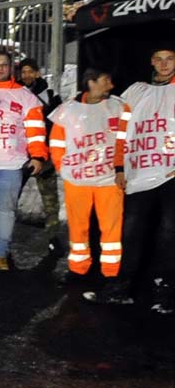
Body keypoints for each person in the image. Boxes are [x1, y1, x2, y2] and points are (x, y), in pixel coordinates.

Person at [48, 68, 128, 290]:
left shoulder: (119, 107)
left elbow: (126, 140)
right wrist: (62, 166)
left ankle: (110, 275)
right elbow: (56, 142)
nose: (110, 85)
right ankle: (78, 271)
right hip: (77, 181)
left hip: (109, 180)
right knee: (78, 228)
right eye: (106, 80)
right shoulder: (68, 110)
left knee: (112, 229)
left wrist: (121, 169)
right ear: (91, 82)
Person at [108, 47, 175, 313]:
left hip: (171, 172)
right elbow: (121, 132)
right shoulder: (136, 91)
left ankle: (164, 291)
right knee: (132, 230)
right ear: (151, 62)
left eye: (169, 59)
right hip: (139, 171)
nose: (164, 64)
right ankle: (121, 288)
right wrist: (119, 167)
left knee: (169, 232)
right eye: (159, 59)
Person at [0, 52, 48, 271]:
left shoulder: (26, 97)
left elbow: (35, 131)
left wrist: (37, 155)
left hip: (11, 164)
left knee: (6, 211)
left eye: (4, 65)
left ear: (10, 68)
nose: (0, 68)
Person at [18, 57, 62, 237]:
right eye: (23, 72)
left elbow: (59, 124)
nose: (27, 75)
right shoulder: (14, 93)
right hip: (20, 154)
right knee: (11, 197)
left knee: (50, 199)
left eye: (30, 71)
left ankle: (54, 236)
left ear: (38, 73)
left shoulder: (50, 95)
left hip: (44, 154)